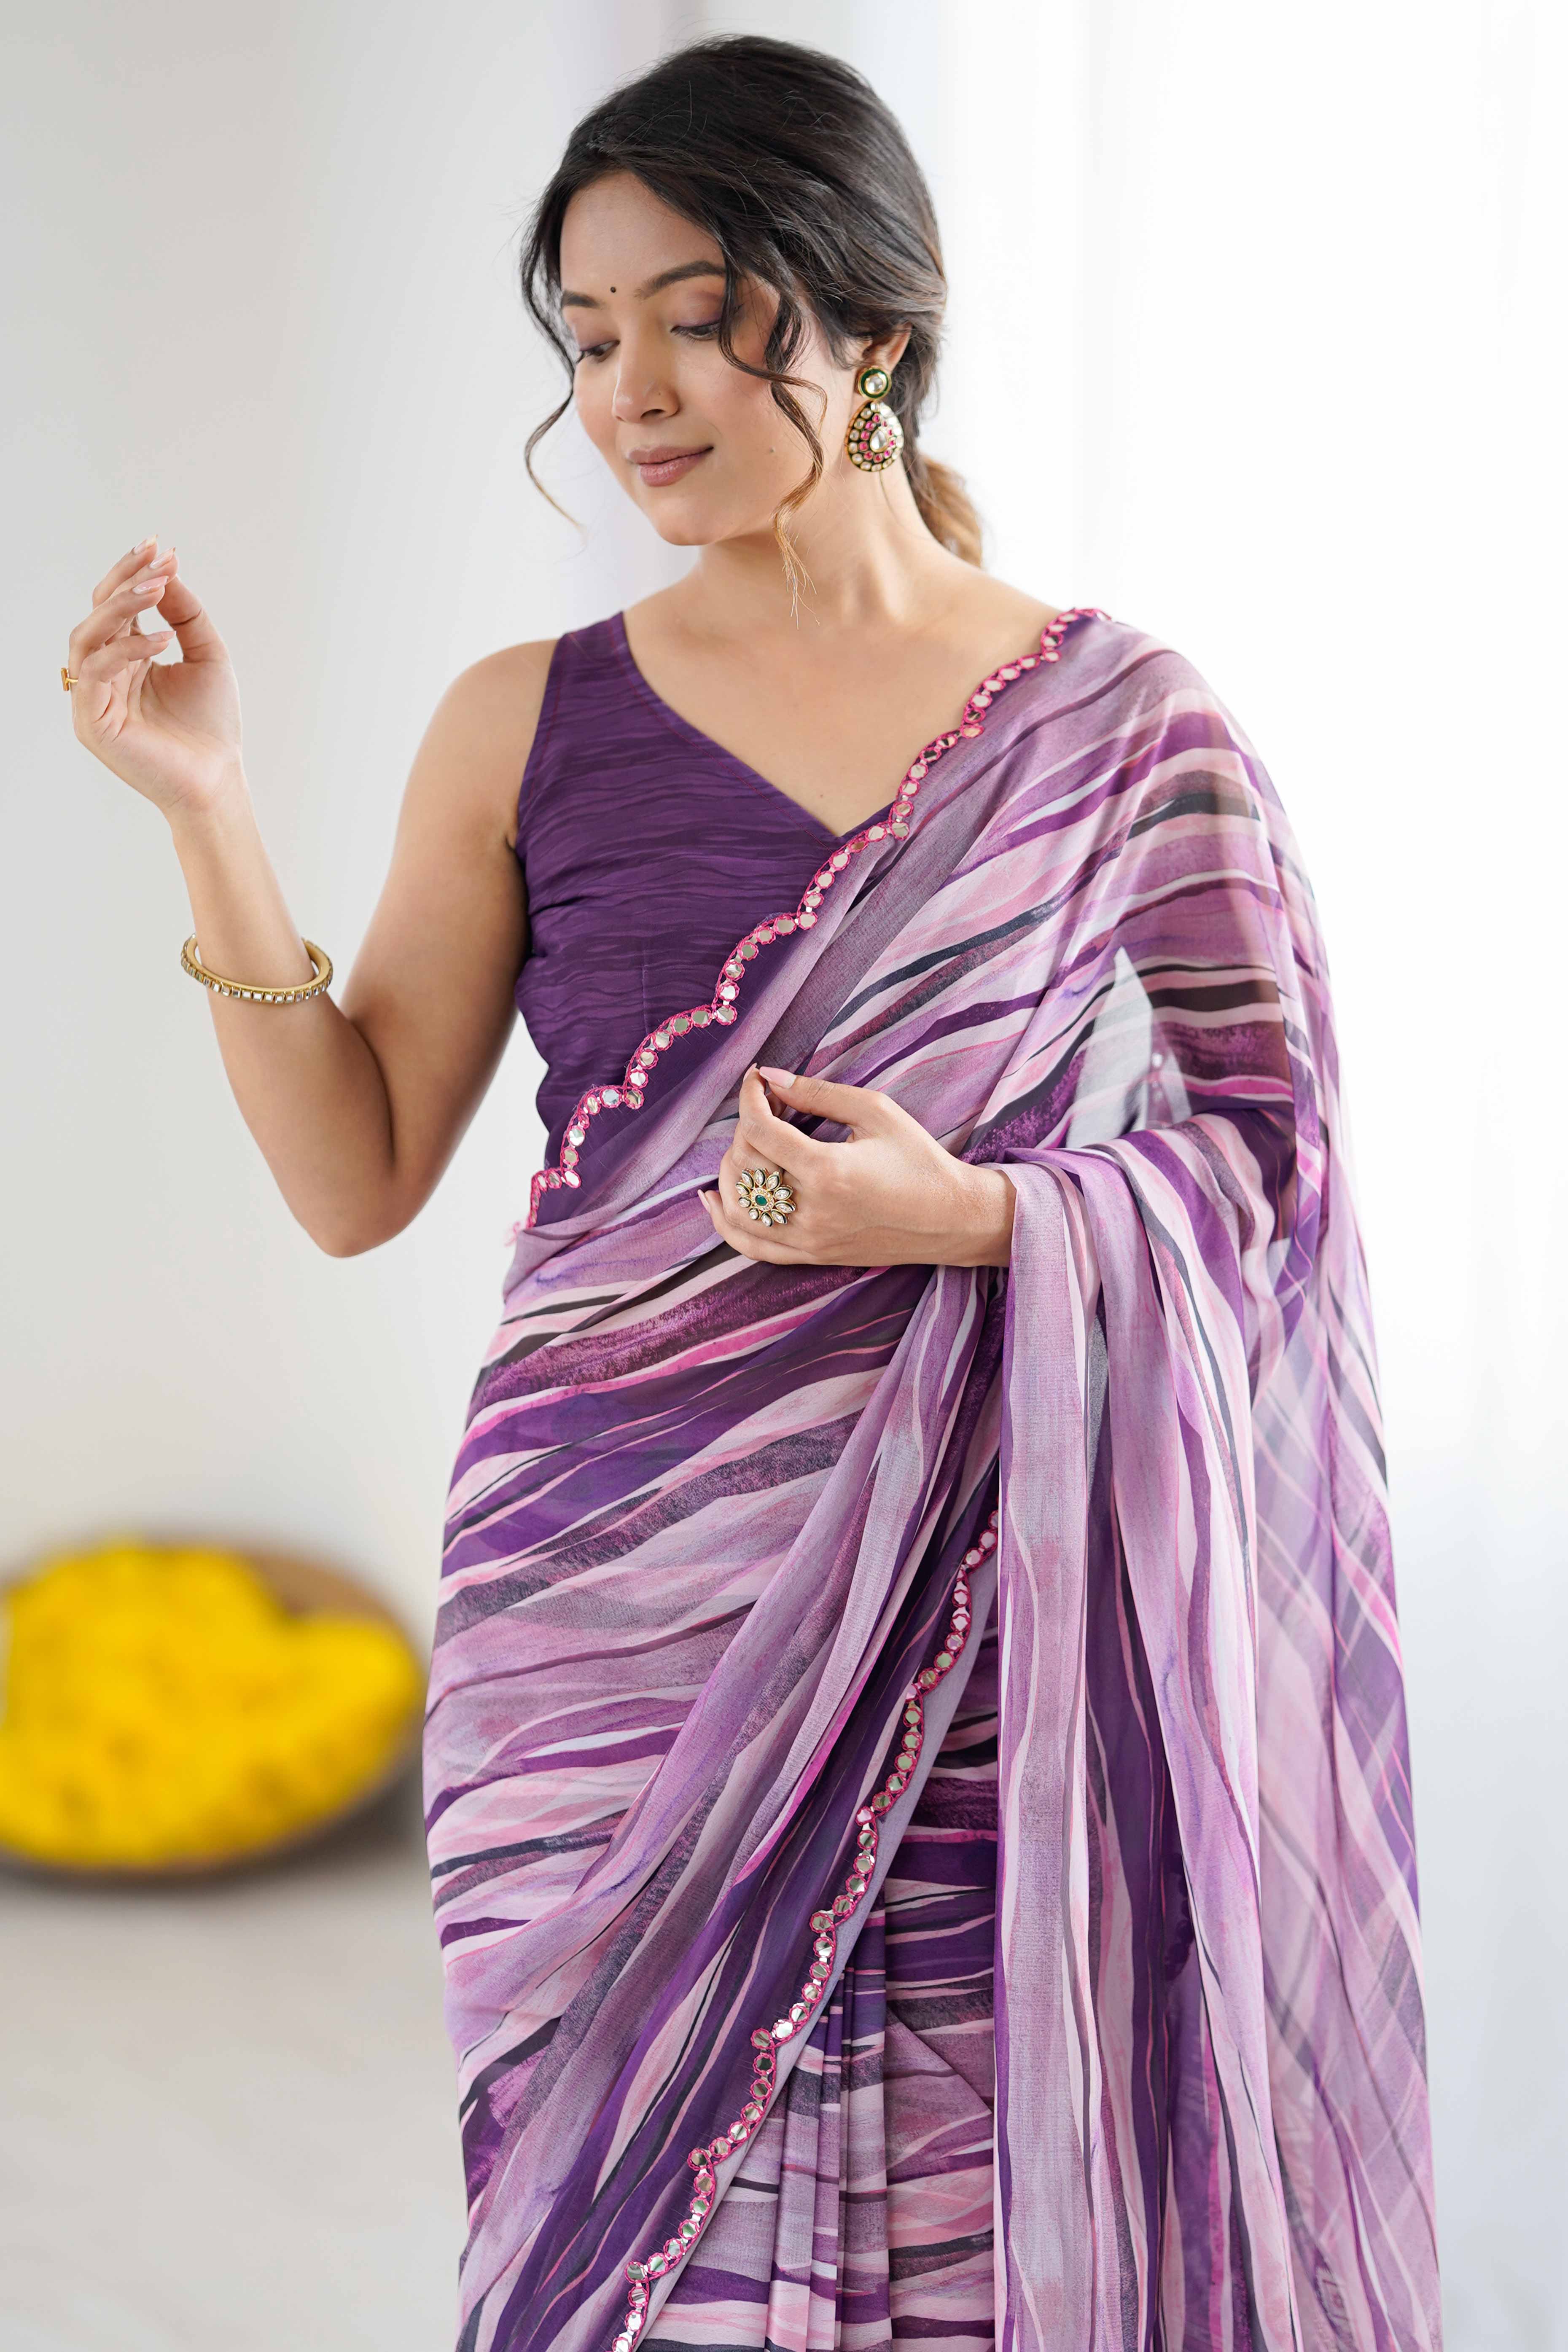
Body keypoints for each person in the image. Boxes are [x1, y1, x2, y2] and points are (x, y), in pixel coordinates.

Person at [62, 33, 1440, 2352]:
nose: (632, 392)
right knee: (622, 2263)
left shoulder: (1123, 730)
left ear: (872, 324)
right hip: (596, 1621)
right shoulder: (524, 718)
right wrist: (207, 810)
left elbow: (1272, 1167)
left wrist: (973, 1219)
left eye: (699, 318)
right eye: (588, 336)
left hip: (981, 1622)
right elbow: (354, 1172)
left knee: (972, 2241)